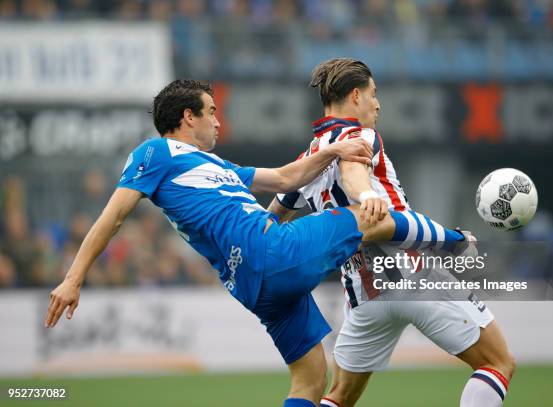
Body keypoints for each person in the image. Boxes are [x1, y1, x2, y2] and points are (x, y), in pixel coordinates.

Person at [45, 79, 470, 407]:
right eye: (211, 112)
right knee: (368, 215)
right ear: (188, 117)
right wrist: (73, 278)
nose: (218, 121)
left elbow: (286, 178)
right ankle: (453, 241)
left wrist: (334, 150)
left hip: (253, 283)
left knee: (310, 378)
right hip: (269, 252)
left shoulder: (215, 164)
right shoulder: (155, 153)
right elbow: (113, 216)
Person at [268, 59, 515, 407]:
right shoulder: (359, 135)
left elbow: (275, 213)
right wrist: (366, 194)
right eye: (373, 94)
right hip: (413, 277)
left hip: (363, 297)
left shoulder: (310, 156)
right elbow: (354, 171)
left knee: (339, 397)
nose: (378, 104)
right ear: (356, 95)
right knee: (498, 362)